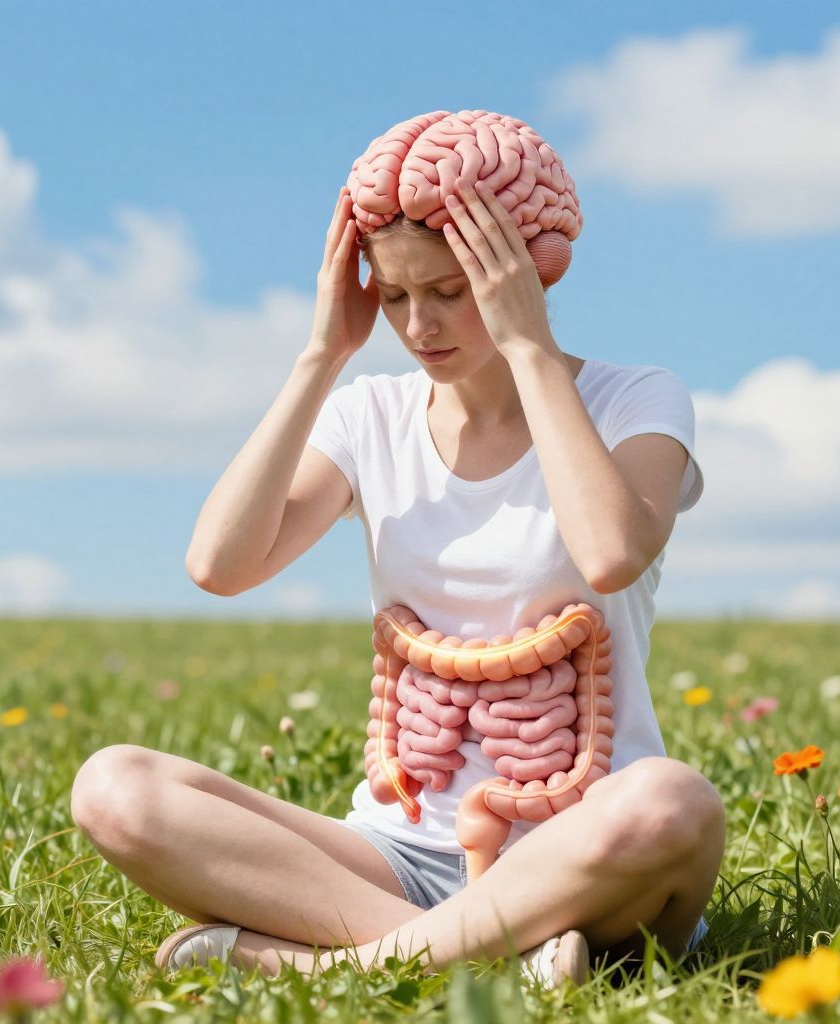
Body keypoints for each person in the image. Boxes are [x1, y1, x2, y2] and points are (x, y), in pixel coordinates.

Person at [69, 174, 725, 987]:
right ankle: (489, 964)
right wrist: (322, 355)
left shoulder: (636, 399)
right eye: (395, 296)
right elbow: (219, 565)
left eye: (451, 291)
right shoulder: (370, 413)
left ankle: (332, 967)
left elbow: (610, 552)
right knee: (114, 788)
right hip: (392, 856)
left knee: (672, 802)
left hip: (587, 857)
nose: (420, 325)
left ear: (524, 273)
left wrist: (527, 349)